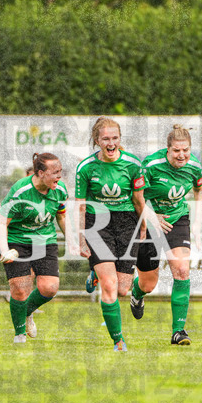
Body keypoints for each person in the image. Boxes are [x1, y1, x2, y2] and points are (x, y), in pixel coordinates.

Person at [129, 125, 202, 346]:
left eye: (186, 150)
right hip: (148, 221)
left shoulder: (194, 167)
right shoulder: (150, 166)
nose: (181, 155)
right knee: (148, 284)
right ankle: (137, 294)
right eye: (176, 151)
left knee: (181, 269)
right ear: (167, 150)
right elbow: (137, 196)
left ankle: (178, 331)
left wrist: (198, 224)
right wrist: (153, 217)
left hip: (177, 219)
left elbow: (200, 190)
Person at [74, 117, 145, 352]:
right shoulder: (85, 168)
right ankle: (118, 341)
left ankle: (96, 274)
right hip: (98, 223)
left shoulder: (133, 165)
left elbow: (138, 200)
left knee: (122, 289)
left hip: (127, 223)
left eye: (115, 138)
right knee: (109, 284)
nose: (111, 142)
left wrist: (143, 228)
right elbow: (80, 205)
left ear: (119, 139)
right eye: (106, 138)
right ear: (97, 141)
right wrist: (81, 239)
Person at [0, 153, 67, 344]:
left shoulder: (59, 190)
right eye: (55, 173)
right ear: (41, 173)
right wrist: (4, 250)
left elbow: (61, 216)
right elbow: (1, 222)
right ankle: (19, 335)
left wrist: (73, 240)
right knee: (20, 289)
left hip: (45, 241)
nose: (59, 177)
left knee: (49, 288)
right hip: (16, 240)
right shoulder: (21, 191)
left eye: (60, 172)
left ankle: (26, 312)